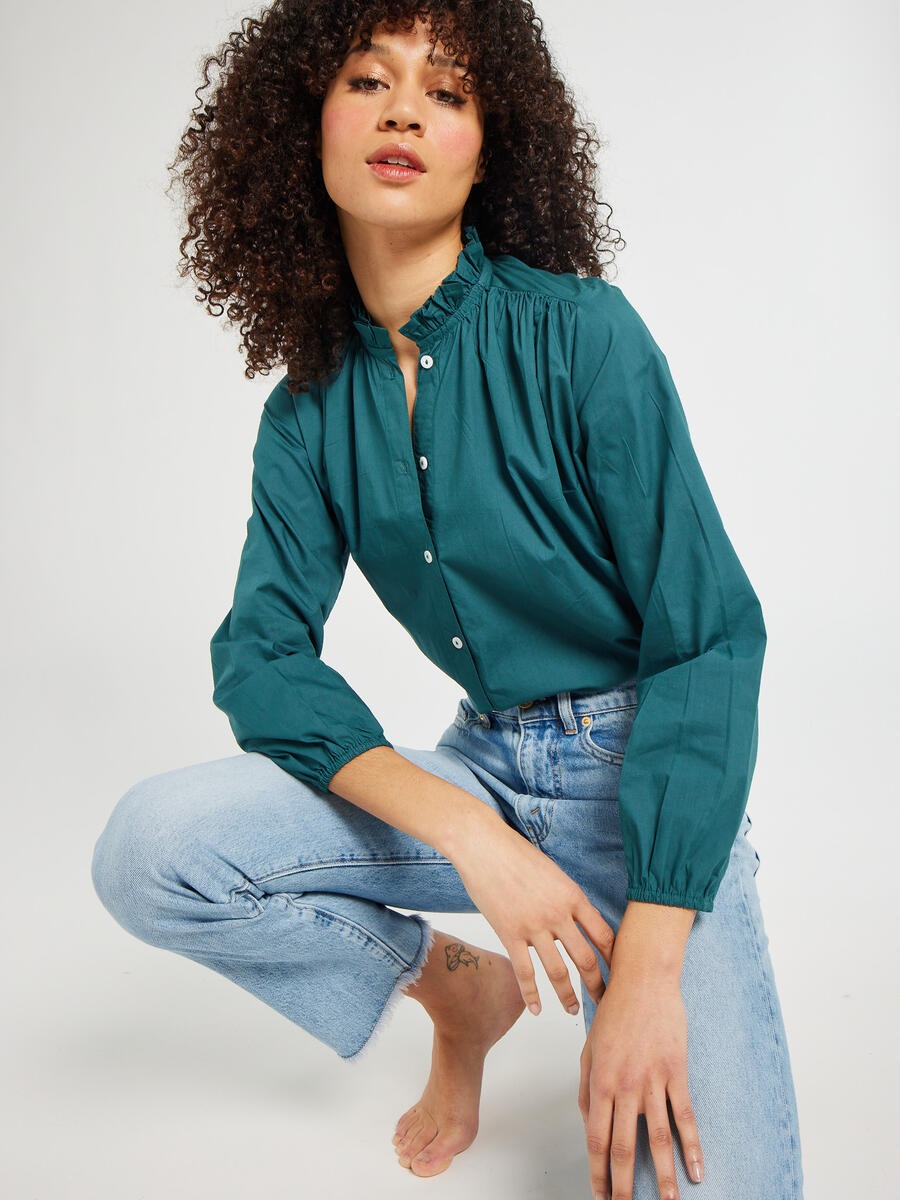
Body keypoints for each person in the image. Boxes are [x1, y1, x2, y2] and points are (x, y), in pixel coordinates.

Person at [90, 3, 805, 1198]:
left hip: (644, 791)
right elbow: (261, 656)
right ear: (299, 128)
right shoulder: (307, 411)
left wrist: (647, 972)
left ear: (493, 147)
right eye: (370, 78)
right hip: (476, 775)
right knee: (152, 852)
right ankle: (456, 991)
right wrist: (470, 835)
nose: (407, 108)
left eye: (451, 92)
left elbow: (710, 641)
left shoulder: (584, 337)